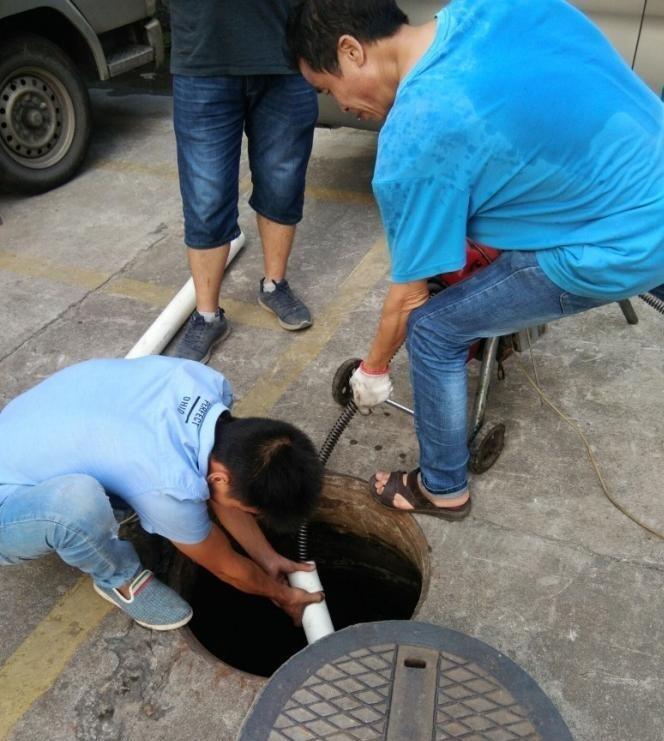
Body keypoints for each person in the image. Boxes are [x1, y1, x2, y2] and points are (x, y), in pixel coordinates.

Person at [288, 0, 664, 516]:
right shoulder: (501, 9)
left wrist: (373, 370)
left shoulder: (413, 136)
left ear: (351, 51)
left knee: (434, 330)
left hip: (617, 247)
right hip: (652, 172)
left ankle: (441, 487)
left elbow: (409, 296)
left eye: (327, 89)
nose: (338, 104)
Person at [0, 356, 324, 630]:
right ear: (220, 478)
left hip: (25, 426)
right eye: (252, 510)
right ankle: (118, 579)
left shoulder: (201, 382)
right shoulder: (169, 486)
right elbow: (226, 566)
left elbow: (220, 485)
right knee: (76, 505)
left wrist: (266, 557)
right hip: (9, 500)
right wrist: (284, 596)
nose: (251, 515)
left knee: (114, 479)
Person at [169, 0, 319, 363]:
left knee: (283, 181)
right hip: (204, 57)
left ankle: (274, 285)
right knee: (206, 198)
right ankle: (207, 316)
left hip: (287, 52)